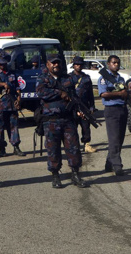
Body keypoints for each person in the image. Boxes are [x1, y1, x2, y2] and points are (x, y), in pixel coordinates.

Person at [36, 54, 87, 188]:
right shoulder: (43, 78)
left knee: (74, 148)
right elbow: (41, 93)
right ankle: (55, 175)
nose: (56, 65)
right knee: (53, 149)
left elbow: (74, 96)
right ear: (48, 64)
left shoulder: (67, 78)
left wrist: (78, 109)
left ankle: (75, 174)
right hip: (51, 121)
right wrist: (60, 94)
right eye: (53, 63)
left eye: (58, 63)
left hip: (68, 120)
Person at [98, 55, 129, 176]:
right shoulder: (103, 78)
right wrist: (119, 93)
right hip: (111, 110)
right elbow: (103, 94)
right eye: (113, 63)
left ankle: (109, 163)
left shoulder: (120, 78)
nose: (115, 65)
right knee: (114, 138)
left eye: (117, 63)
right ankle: (117, 166)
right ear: (108, 64)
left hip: (122, 108)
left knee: (120, 139)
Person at [0, 54, 25, 157]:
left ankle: (16, 147)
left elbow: (18, 88)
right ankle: (2, 148)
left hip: (11, 104)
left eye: (4, 63)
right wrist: (3, 84)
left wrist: (19, 100)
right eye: (0, 63)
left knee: (14, 126)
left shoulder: (12, 74)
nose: (2, 65)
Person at [69, 56, 96, 153]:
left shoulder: (86, 78)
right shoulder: (68, 78)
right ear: (73, 65)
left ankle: (87, 144)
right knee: (72, 128)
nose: (78, 66)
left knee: (86, 126)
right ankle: (74, 145)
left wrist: (92, 106)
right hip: (72, 107)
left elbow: (90, 94)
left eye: (80, 64)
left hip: (84, 106)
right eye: (76, 64)